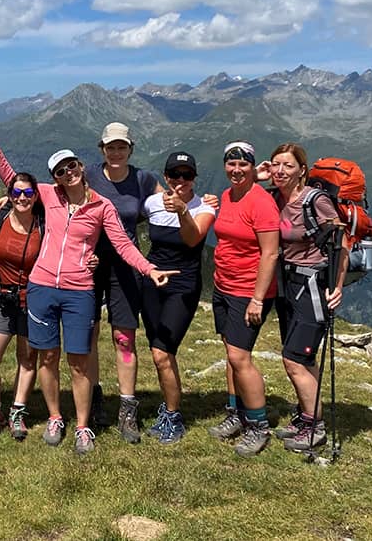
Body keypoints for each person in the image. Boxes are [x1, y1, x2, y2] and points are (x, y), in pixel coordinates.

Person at [0, 119, 176, 455]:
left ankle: (83, 426)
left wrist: (149, 269)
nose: (67, 173)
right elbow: (15, 182)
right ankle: (56, 416)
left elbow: (123, 245)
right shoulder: (48, 195)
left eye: (71, 166)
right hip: (42, 286)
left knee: (79, 360)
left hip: (79, 290)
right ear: (54, 177)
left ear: (81, 166)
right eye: (59, 170)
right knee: (47, 357)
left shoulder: (102, 207)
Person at [83, 122, 163, 442]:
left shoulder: (143, 179)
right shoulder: (88, 175)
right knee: (87, 335)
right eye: (110, 147)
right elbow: (55, 200)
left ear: (131, 149)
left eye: (122, 147)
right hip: (88, 264)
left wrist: (202, 206)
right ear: (102, 149)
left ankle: (127, 410)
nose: (116, 152)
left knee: (124, 339)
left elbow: (167, 203)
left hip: (126, 266)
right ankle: (93, 399)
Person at [264, 143, 345, 452]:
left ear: (302, 170)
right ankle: (306, 416)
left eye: (287, 165)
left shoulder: (315, 200)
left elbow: (342, 242)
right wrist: (260, 178)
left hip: (312, 285)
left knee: (294, 358)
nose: (280, 171)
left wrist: (336, 286)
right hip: (289, 285)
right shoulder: (274, 197)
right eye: (275, 165)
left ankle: (315, 426)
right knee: (303, 356)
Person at [207, 141, 280, 457]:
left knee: (240, 358)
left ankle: (258, 426)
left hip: (248, 292)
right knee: (231, 352)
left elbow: (271, 253)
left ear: (252, 166)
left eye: (243, 165)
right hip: (223, 286)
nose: (236, 170)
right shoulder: (227, 195)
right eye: (231, 164)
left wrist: (257, 299)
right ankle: (235, 413)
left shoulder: (262, 204)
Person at [138, 152, 216, 444]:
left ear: (195, 178)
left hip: (182, 286)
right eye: (175, 175)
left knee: (162, 352)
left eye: (187, 175)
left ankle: (173, 415)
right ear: (166, 177)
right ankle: (168, 408)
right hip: (152, 283)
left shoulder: (204, 206)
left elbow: (194, 239)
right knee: (160, 353)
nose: (181, 181)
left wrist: (183, 210)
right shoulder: (152, 204)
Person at [0, 173, 43, 442]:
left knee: (27, 360)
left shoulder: (44, 224)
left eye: (27, 193)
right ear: (9, 195)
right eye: (16, 193)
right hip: (0, 300)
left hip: (33, 301)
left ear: (36, 195)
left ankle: (17, 412)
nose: (22, 198)